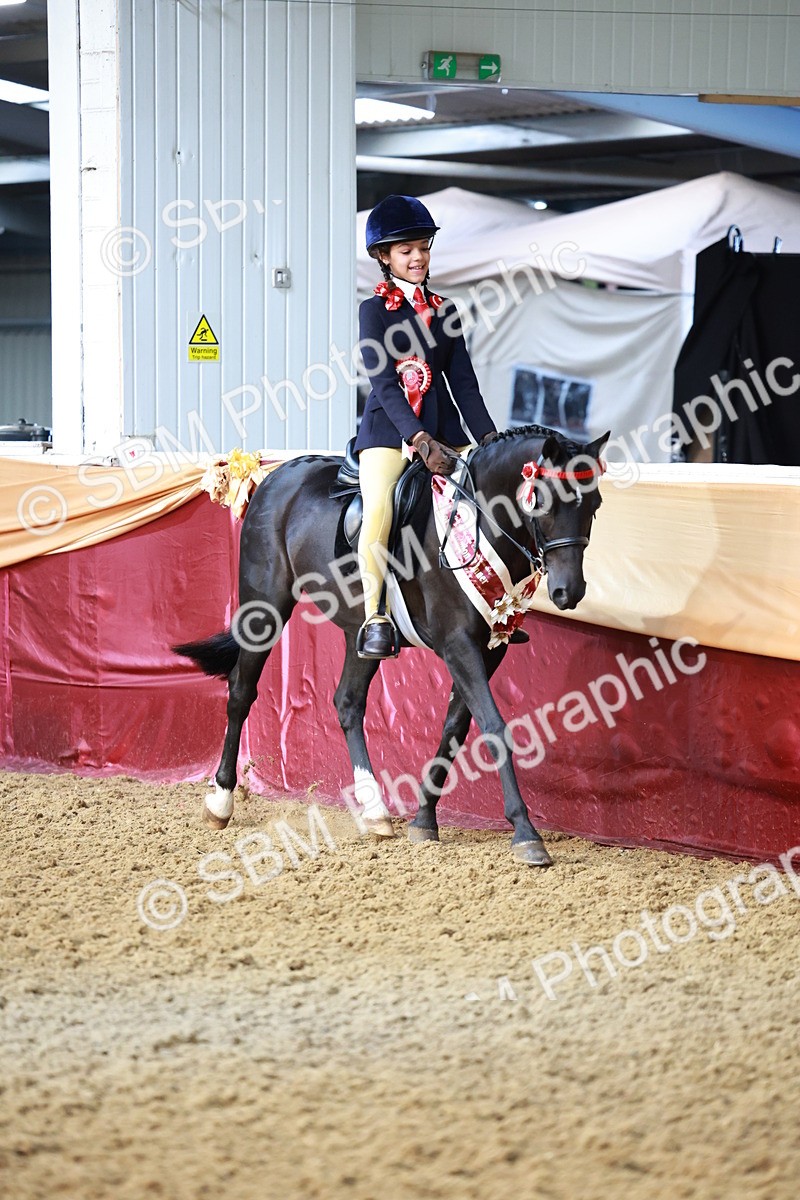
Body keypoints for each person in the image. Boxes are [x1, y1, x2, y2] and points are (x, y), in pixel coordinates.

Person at [354, 194, 499, 659]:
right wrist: (417, 439)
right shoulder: (373, 312)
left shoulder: (446, 310)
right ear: (383, 257)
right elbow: (384, 383)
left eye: (423, 248)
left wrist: (491, 442)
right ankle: (375, 616)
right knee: (379, 508)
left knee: (487, 501)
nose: (417, 258)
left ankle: (493, 602)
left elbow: (466, 386)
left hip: (446, 431)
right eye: (405, 251)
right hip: (389, 434)